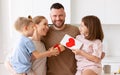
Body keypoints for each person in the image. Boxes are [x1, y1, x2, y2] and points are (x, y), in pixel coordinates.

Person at [43, 3, 105, 75]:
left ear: (65, 14)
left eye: (60, 15)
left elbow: (91, 39)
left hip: (74, 72)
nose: (58, 18)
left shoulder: (76, 30)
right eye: (54, 16)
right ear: (50, 16)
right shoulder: (45, 32)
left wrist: (100, 54)